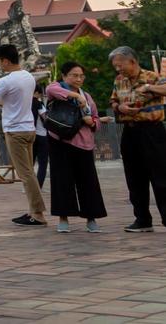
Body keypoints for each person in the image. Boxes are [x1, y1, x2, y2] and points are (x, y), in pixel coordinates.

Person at [0, 44, 47, 226]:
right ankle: (33, 211)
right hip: (28, 129)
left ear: (6, 60)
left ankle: (38, 214)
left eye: (0, 61)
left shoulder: (7, 81)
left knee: (26, 174)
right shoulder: (27, 77)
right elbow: (7, 92)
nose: (0, 65)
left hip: (15, 131)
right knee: (29, 171)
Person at [108, 45, 166, 232]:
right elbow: (113, 101)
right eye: (115, 66)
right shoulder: (119, 81)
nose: (118, 69)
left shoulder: (152, 76)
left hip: (152, 131)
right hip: (130, 132)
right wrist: (120, 108)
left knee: (160, 176)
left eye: (120, 65)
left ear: (132, 61)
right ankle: (142, 219)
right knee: (134, 177)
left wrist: (149, 88)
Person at [45, 60, 108, 233]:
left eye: (81, 76)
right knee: (62, 181)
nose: (78, 79)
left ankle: (91, 219)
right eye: (74, 75)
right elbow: (50, 89)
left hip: (84, 143)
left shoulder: (87, 96)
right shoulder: (57, 90)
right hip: (60, 141)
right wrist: (75, 96)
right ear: (64, 76)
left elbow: (95, 118)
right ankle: (63, 218)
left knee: (88, 182)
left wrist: (92, 121)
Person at [31, 84, 50, 188]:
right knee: (43, 163)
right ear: (37, 93)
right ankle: (38, 186)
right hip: (42, 135)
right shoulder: (38, 103)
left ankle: (29, 186)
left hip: (30, 135)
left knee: (30, 162)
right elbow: (45, 118)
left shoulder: (25, 103)